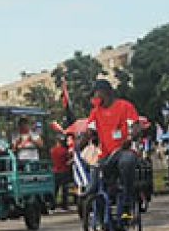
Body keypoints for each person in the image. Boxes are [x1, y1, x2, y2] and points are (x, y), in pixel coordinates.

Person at [84, 79, 141, 218]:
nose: (95, 98)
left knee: (126, 162)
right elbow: (89, 131)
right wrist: (81, 142)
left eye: (96, 94)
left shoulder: (125, 106)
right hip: (106, 155)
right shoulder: (95, 112)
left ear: (106, 92)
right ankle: (103, 219)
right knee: (95, 183)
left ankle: (128, 202)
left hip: (124, 151)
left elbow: (136, 126)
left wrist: (131, 136)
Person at [50, 136, 72, 209]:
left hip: (55, 171)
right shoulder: (65, 151)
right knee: (64, 189)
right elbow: (68, 161)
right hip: (64, 171)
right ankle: (64, 205)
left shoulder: (52, 150)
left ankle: (52, 205)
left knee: (55, 189)